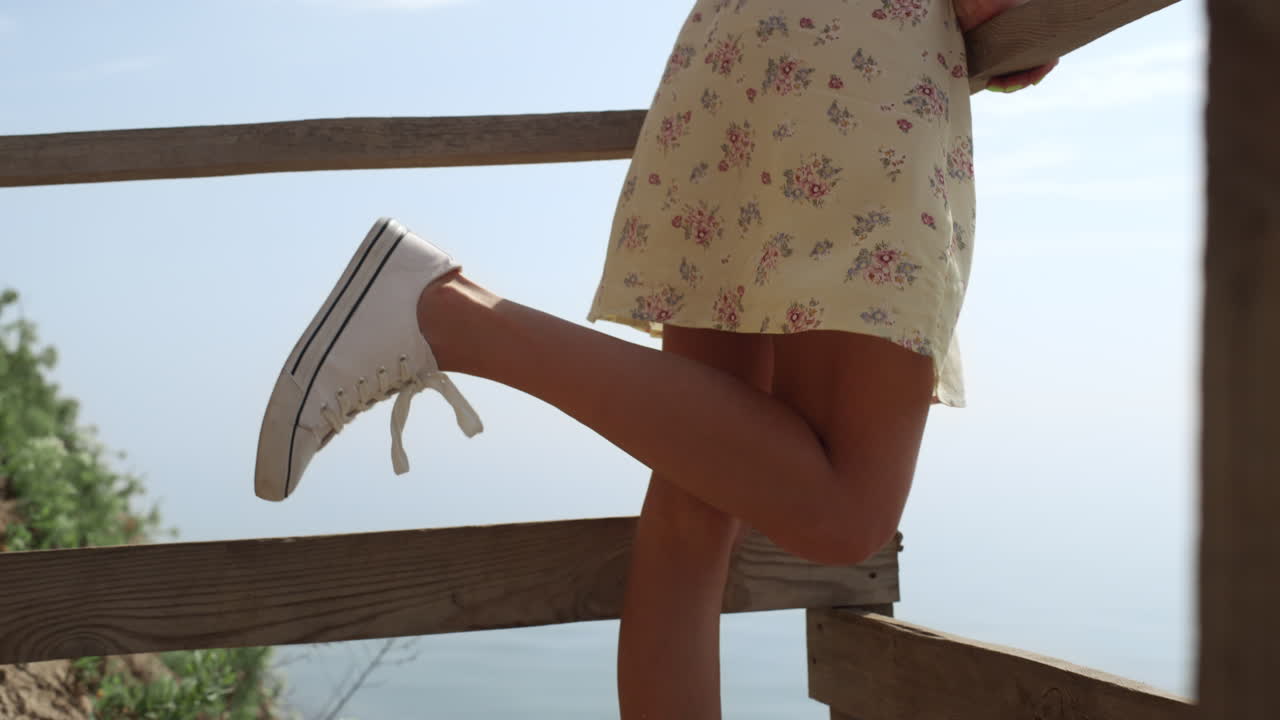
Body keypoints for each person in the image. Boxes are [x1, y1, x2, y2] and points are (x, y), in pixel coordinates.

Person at [254, 0, 1057, 717]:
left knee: (694, 515)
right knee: (844, 510)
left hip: (733, 46)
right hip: (859, 64)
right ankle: (448, 316)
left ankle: (441, 313)